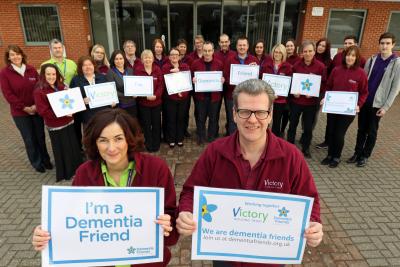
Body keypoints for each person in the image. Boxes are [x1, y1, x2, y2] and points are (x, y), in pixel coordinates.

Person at [176, 79, 323, 267]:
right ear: (234, 114)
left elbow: (309, 199)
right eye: (245, 112)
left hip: (270, 259)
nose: (252, 120)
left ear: (270, 115)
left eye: (261, 112)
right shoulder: (215, 152)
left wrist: (314, 223)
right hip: (225, 255)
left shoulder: (291, 157)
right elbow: (190, 191)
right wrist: (186, 212)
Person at [32, 108, 178, 267]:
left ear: (129, 139)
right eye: (103, 140)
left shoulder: (156, 168)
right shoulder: (84, 174)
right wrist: (47, 235)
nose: (111, 148)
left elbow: (172, 228)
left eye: (118, 138)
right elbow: (72, 223)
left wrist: (167, 225)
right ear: (94, 142)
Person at [347, 32, 400, 167]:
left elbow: (395, 88)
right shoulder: (372, 60)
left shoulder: (396, 64)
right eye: (382, 43)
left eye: (388, 43)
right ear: (379, 44)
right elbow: (362, 81)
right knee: (361, 130)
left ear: (393, 45)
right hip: (365, 101)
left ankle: (365, 155)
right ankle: (357, 153)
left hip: (378, 104)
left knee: (371, 131)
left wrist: (386, 107)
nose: (384, 46)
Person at [0, 45, 52, 173]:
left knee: (40, 136)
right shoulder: (4, 73)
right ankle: (37, 162)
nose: (16, 57)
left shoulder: (31, 69)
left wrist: (35, 105)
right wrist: (24, 107)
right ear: (8, 58)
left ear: (22, 55)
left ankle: (46, 160)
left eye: (18, 54)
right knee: (29, 138)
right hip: (20, 113)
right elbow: (8, 94)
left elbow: (39, 87)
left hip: (36, 109)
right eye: (12, 55)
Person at [320, 46, 368, 168]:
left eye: (353, 55)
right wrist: (325, 98)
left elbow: (364, 92)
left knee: (339, 134)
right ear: (344, 56)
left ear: (356, 58)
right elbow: (329, 86)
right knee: (331, 132)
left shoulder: (361, 73)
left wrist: (359, 104)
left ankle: (336, 157)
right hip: (333, 108)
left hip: (348, 111)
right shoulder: (336, 70)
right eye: (348, 55)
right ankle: (329, 155)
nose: (350, 57)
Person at [33, 64, 82, 181]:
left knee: (72, 146)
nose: (51, 77)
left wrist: (72, 96)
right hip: (55, 125)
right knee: (62, 149)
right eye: (48, 74)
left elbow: (70, 101)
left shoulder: (61, 86)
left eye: (54, 74)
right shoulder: (39, 91)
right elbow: (43, 111)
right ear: (43, 75)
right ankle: (66, 173)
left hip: (69, 122)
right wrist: (61, 113)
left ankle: (77, 169)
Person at [287, 40, 326, 158]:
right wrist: (293, 93)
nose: (308, 54)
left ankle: (306, 148)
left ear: (314, 52)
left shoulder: (321, 67)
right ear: (302, 53)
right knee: (292, 125)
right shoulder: (296, 66)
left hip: (311, 104)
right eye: (305, 51)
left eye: (310, 51)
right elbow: (291, 82)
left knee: (308, 128)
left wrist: (315, 94)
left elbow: (324, 85)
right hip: (296, 102)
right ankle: (289, 147)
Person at [70, 56, 112, 147]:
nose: (87, 67)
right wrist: (82, 101)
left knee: (103, 138)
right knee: (90, 140)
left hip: (102, 115)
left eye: (90, 64)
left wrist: (112, 101)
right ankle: (92, 158)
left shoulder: (102, 77)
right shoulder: (76, 80)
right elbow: (72, 99)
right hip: (87, 116)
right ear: (80, 67)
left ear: (94, 65)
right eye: (84, 65)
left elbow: (109, 94)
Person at [223, 36, 259, 135]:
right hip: (232, 96)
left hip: (249, 96)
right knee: (232, 119)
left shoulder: (254, 60)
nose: (242, 47)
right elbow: (225, 77)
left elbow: (259, 79)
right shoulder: (230, 60)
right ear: (236, 46)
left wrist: (255, 70)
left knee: (246, 119)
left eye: (244, 45)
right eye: (240, 45)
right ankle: (232, 141)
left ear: (247, 46)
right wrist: (233, 81)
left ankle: (244, 139)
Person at [191, 41, 224, 145]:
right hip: (200, 97)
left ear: (213, 51)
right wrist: (193, 80)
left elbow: (224, 77)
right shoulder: (195, 64)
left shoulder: (219, 64)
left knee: (213, 118)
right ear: (202, 50)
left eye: (209, 50)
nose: (207, 53)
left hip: (214, 97)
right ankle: (201, 136)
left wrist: (223, 80)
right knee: (200, 118)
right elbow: (190, 78)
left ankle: (211, 136)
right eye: (205, 50)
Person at [260, 44, 292, 138]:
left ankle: (274, 141)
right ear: (273, 53)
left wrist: (279, 95)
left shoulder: (288, 67)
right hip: (267, 99)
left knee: (277, 122)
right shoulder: (266, 65)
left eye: (280, 52)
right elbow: (262, 81)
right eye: (275, 52)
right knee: (264, 120)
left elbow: (288, 85)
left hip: (280, 100)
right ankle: (263, 139)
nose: (277, 54)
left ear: (283, 54)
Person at [135, 50, 164, 152]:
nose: (148, 59)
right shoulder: (138, 71)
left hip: (156, 102)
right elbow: (137, 87)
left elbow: (161, 85)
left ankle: (156, 143)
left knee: (156, 124)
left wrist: (156, 95)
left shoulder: (157, 69)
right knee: (146, 125)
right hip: (144, 103)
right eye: (145, 58)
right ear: (142, 60)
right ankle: (148, 143)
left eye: (149, 57)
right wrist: (145, 96)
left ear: (153, 59)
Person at [161, 47, 190, 148]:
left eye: (176, 55)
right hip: (170, 99)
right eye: (172, 55)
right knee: (171, 118)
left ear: (179, 56)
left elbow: (187, 82)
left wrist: (183, 93)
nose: (174, 56)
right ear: (169, 57)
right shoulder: (165, 68)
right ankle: (171, 139)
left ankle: (180, 138)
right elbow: (164, 84)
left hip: (183, 98)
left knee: (181, 118)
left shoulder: (185, 67)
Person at [106, 50, 137, 117]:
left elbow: (134, 84)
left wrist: (136, 92)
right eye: (116, 59)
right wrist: (127, 95)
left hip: (132, 104)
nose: (119, 61)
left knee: (132, 123)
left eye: (121, 58)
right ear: (113, 60)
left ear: (124, 59)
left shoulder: (130, 70)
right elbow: (112, 90)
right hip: (120, 105)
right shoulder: (110, 72)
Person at [177, 38, 193, 138]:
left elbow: (191, 73)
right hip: (174, 89)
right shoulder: (173, 57)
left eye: (184, 47)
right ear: (177, 47)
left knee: (185, 111)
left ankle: (184, 129)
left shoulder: (189, 59)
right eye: (181, 46)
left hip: (186, 89)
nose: (182, 48)